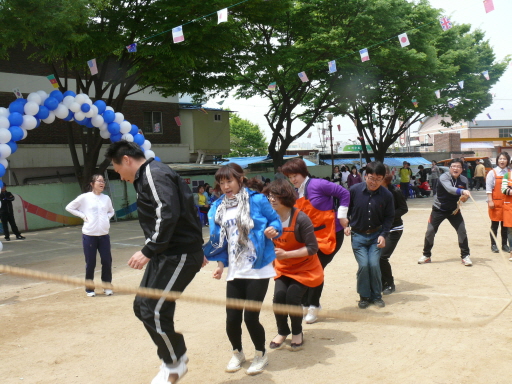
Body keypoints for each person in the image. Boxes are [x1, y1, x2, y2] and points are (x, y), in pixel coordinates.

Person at [105, 140, 205, 384]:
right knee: (142, 306)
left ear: (126, 160)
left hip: (177, 253)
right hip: (168, 253)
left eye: (117, 170)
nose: (119, 176)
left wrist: (149, 250)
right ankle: (170, 358)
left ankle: (174, 363)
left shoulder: (153, 173)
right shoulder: (149, 176)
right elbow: (186, 210)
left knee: (153, 308)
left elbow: (167, 212)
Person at [205, 163, 282, 376]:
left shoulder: (257, 200)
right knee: (232, 317)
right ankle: (237, 352)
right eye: (221, 182)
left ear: (240, 179)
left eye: (229, 181)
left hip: (258, 266)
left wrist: (273, 229)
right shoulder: (218, 206)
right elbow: (221, 240)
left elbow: (276, 220)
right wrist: (220, 265)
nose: (225, 186)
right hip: (236, 269)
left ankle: (260, 354)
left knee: (250, 316)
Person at [281, 158, 349, 324]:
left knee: (316, 268)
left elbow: (344, 193)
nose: (293, 180)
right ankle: (306, 303)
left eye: (295, 175)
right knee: (306, 268)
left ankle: (313, 305)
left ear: (303, 172)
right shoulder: (295, 192)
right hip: (310, 239)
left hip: (330, 234)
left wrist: (341, 216)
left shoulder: (318, 184)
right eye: (290, 177)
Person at [264, 179, 322, 352]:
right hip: (283, 267)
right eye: (270, 196)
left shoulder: (301, 219)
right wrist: (265, 237)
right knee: (279, 298)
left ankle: (297, 332)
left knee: (292, 298)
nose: (272, 200)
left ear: (287, 197)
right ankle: (282, 331)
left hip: (305, 268)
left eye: (276, 196)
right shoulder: (269, 218)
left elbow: (313, 248)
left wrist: (287, 254)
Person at [344, 161, 394, 309]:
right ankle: (364, 296)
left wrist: (384, 235)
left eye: (378, 179)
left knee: (374, 264)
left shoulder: (387, 195)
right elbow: (344, 209)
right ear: (365, 176)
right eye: (371, 178)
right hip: (358, 236)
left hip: (376, 236)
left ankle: (376, 296)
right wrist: (346, 225)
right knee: (364, 265)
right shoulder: (354, 190)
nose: (374, 182)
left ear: (383, 179)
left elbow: (389, 217)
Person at [65, 174, 115, 297]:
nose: (102, 183)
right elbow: (69, 207)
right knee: (91, 262)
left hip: (104, 235)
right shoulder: (84, 197)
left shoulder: (106, 198)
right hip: (89, 235)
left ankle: (107, 287)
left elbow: (111, 211)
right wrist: (83, 216)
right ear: (92, 184)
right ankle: (90, 289)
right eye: (99, 181)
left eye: (103, 181)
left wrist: (106, 218)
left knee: (107, 261)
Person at [418, 158, 472, 266]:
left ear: (462, 169)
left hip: (454, 210)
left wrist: (464, 198)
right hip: (439, 210)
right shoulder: (443, 177)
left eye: (459, 167)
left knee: (462, 231)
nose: (456, 168)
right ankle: (426, 255)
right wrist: (462, 191)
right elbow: (449, 189)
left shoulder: (464, 180)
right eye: (453, 166)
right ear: (450, 168)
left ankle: (465, 256)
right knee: (430, 231)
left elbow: (464, 198)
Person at [380, 165, 408, 295]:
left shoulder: (395, 191)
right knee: (374, 258)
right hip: (379, 230)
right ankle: (380, 282)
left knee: (382, 257)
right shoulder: (374, 191)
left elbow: (404, 209)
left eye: (381, 174)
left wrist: (388, 216)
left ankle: (389, 283)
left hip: (394, 229)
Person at [486, 152, 510, 253]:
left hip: (507, 203)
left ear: (507, 161)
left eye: (504, 159)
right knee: (494, 225)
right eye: (500, 159)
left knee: (506, 225)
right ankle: (493, 245)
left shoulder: (510, 172)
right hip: (495, 203)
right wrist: (490, 201)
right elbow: (488, 188)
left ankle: (504, 244)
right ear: (497, 160)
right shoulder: (492, 173)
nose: (502, 161)